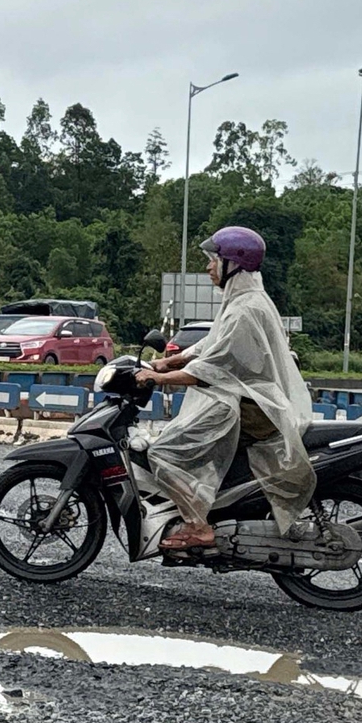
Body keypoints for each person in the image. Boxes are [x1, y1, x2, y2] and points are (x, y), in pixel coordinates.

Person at [135, 226, 314, 551]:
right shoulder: (245, 300)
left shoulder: (245, 310)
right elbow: (212, 343)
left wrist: (158, 378)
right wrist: (172, 361)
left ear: (233, 264)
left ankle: (197, 526)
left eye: (214, 260)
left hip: (251, 410)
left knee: (162, 454)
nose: (208, 267)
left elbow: (209, 370)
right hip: (250, 403)